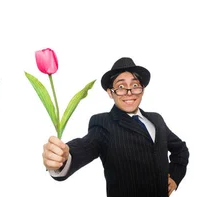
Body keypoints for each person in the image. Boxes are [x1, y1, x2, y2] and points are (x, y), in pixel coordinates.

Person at [42, 57, 190, 197]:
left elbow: (180, 149)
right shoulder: (103, 123)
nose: (129, 92)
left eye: (135, 85)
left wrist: (175, 177)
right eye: (120, 86)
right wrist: (63, 159)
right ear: (110, 93)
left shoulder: (156, 119)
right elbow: (85, 146)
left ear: (142, 89)